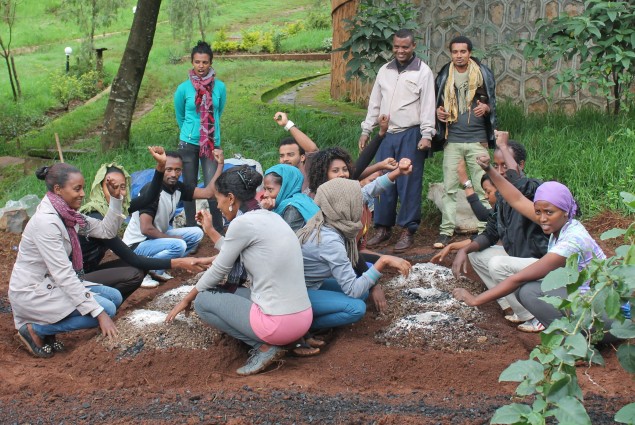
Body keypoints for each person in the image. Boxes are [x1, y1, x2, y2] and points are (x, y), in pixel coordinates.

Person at [453, 159, 630, 335]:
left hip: (611, 320)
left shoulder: (571, 241)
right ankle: (571, 334)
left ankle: (572, 342)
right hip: (590, 302)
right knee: (530, 289)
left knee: (528, 291)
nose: (542, 218)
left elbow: (518, 278)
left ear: (565, 211)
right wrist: (489, 169)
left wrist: (475, 300)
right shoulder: (562, 223)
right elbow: (516, 199)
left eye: (548, 212)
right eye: (538, 212)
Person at [166, 166, 312, 376]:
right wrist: (210, 231)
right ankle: (290, 343)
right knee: (231, 291)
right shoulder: (271, 216)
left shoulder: (242, 223)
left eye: (218, 200)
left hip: (280, 325)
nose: (218, 206)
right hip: (302, 320)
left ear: (231, 198)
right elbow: (232, 251)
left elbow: (219, 269)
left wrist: (187, 298)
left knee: (203, 301)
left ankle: (264, 347)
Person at [9, 163, 125, 358]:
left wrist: (114, 199)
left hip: (52, 285)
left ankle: (49, 327)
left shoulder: (68, 216)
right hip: (32, 292)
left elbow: (107, 231)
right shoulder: (46, 223)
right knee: (107, 308)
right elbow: (63, 274)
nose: (82, 194)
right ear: (58, 190)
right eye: (77, 189)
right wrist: (99, 314)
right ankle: (36, 329)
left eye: (82, 188)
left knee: (114, 297)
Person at [451, 133, 548, 332]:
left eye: (505, 165)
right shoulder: (502, 199)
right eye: (497, 166)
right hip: (520, 259)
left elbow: (519, 187)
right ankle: (516, 308)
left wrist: (503, 146)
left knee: (497, 263)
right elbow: (491, 232)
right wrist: (464, 250)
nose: (501, 171)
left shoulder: (534, 189)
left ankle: (536, 316)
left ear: (520, 164)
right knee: (478, 255)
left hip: (542, 262)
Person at [79, 147, 208, 296]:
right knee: (132, 275)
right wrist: (178, 262)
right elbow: (132, 257)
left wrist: (160, 167)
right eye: (111, 188)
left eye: (122, 187)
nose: (118, 193)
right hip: (73, 277)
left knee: (136, 270)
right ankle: (95, 303)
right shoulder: (97, 217)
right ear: (99, 189)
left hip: (90, 269)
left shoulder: (117, 210)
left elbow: (148, 198)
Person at [359, 28, 436, 253]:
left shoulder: (423, 72)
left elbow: (428, 104)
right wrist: (366, 130)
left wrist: (427, 134)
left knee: (408, 183)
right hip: (386, 134)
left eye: (405, 47)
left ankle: (407, 230)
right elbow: (375, 103)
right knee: (383, 180)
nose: (400, 51)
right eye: (396, 46)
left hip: (411, 133)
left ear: (413, 47)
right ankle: (382, 228)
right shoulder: (385, 70)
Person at [298, 179, 411, 331]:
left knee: (364, 293)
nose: (361, 206)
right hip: (299, 293)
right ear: (346, 206)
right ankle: (305, 328)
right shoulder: (330, 242)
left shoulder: (329, 218)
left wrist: (396, 173)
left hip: (310, 284)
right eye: (357, 202)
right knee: (357, 308)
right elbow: (353, 289)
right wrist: (382, 262)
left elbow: (367, 192)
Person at [434, 35, 497, 249]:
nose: (459, 56)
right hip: (452, 139)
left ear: (470, 52)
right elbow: (437, 101)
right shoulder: (444, 74)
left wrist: (486, 108)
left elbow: (493, 103)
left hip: (478, 140)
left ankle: (484, 229)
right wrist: (439, 113)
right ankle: (446, 231)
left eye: (463, 51)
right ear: (450, 53)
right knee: (450, 187)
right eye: (455, 52)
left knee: (483, 186)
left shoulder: (483, 73)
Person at [122, 151, 220, 282]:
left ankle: (157, 269)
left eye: (177, 170)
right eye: (169, 169)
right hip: (137, 245)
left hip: (156, 237)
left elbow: (208, 193)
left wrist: (220, 164)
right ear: (161, 168)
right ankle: (142, 270)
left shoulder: (177, 188)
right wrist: (171, 238)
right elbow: (146, 229)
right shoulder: (151, 192)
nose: (173, 174)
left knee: (196, 233)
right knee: (178, 245)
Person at [175, 40, 227, 232]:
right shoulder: (183, 88)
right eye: (197, 62)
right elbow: (180, 115)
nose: (201, 66)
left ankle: (218, 229)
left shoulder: (219, 87)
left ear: (210, 63)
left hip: (212, 145)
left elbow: (218, 112)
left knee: (214, 185)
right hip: (188, 144)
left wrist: (209, 135)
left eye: (205, 62)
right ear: (192, 62)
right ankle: (191, 231)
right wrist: (191, 132)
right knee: (189, 188)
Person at [261, 164, 319, 232]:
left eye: (270, 189)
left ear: (285, 188)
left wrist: (264, 213)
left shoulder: (293, 208)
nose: (265, 194)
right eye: (265, 189)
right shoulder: (278, 206)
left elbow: (285, 238)